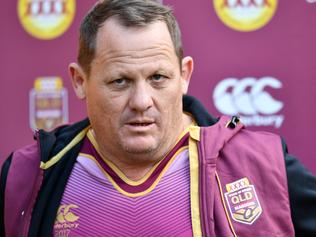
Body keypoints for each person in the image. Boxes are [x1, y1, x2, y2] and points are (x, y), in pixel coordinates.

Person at [1, 0, 315, 236]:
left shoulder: (261, 163)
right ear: (80, 81)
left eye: (158, 78)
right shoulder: (28, 176)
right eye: (119, 81)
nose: (141, 102)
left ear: (184, 74)